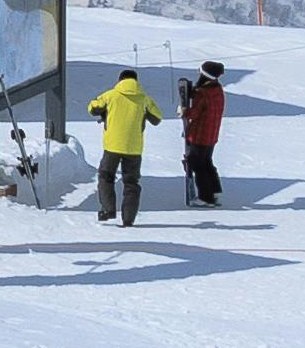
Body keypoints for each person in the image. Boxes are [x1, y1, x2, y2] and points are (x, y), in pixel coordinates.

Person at [83, 65, 167, 227]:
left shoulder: (110, 95)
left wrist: (104, 111)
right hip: (134, 148)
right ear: (136, 81)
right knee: (131, 183)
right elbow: (157, 118)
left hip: (112, 146)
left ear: (120, 80)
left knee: (106, 176)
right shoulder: (144, 99)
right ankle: (128, 219)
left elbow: (92, 108)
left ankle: (108, 209)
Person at [180, 58, 229, 207]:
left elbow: (194, 113)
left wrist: (184, 111)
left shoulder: (203, 93)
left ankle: (206, 197)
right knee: (207, 162)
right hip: (212, 134)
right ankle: (215, 190)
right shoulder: (217, 89)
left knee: (197, 164)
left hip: (200, 134)